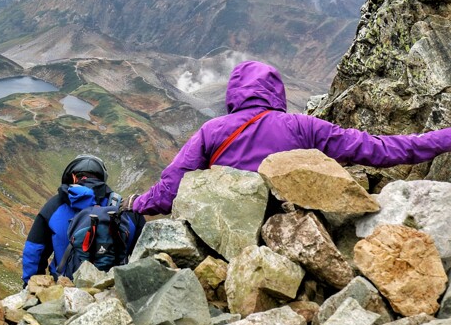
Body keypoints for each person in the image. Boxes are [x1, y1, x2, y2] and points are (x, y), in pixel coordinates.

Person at [130, 60, 451, 215]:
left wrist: (135, 205)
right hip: (291, 231)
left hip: (225, 237)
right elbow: (378, 150)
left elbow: (170, 188)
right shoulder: (303, 126)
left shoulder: (212, 131)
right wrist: (444, 139)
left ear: (233, 93)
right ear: (276, 91)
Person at [22, 154, 143, 285]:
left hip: (65, 289)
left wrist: (31, 288)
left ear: (73, 177)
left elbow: (34, 250)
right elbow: (143, 255)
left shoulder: (54, 206)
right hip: (113, 290)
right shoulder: (124, 208)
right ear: (102, 179)